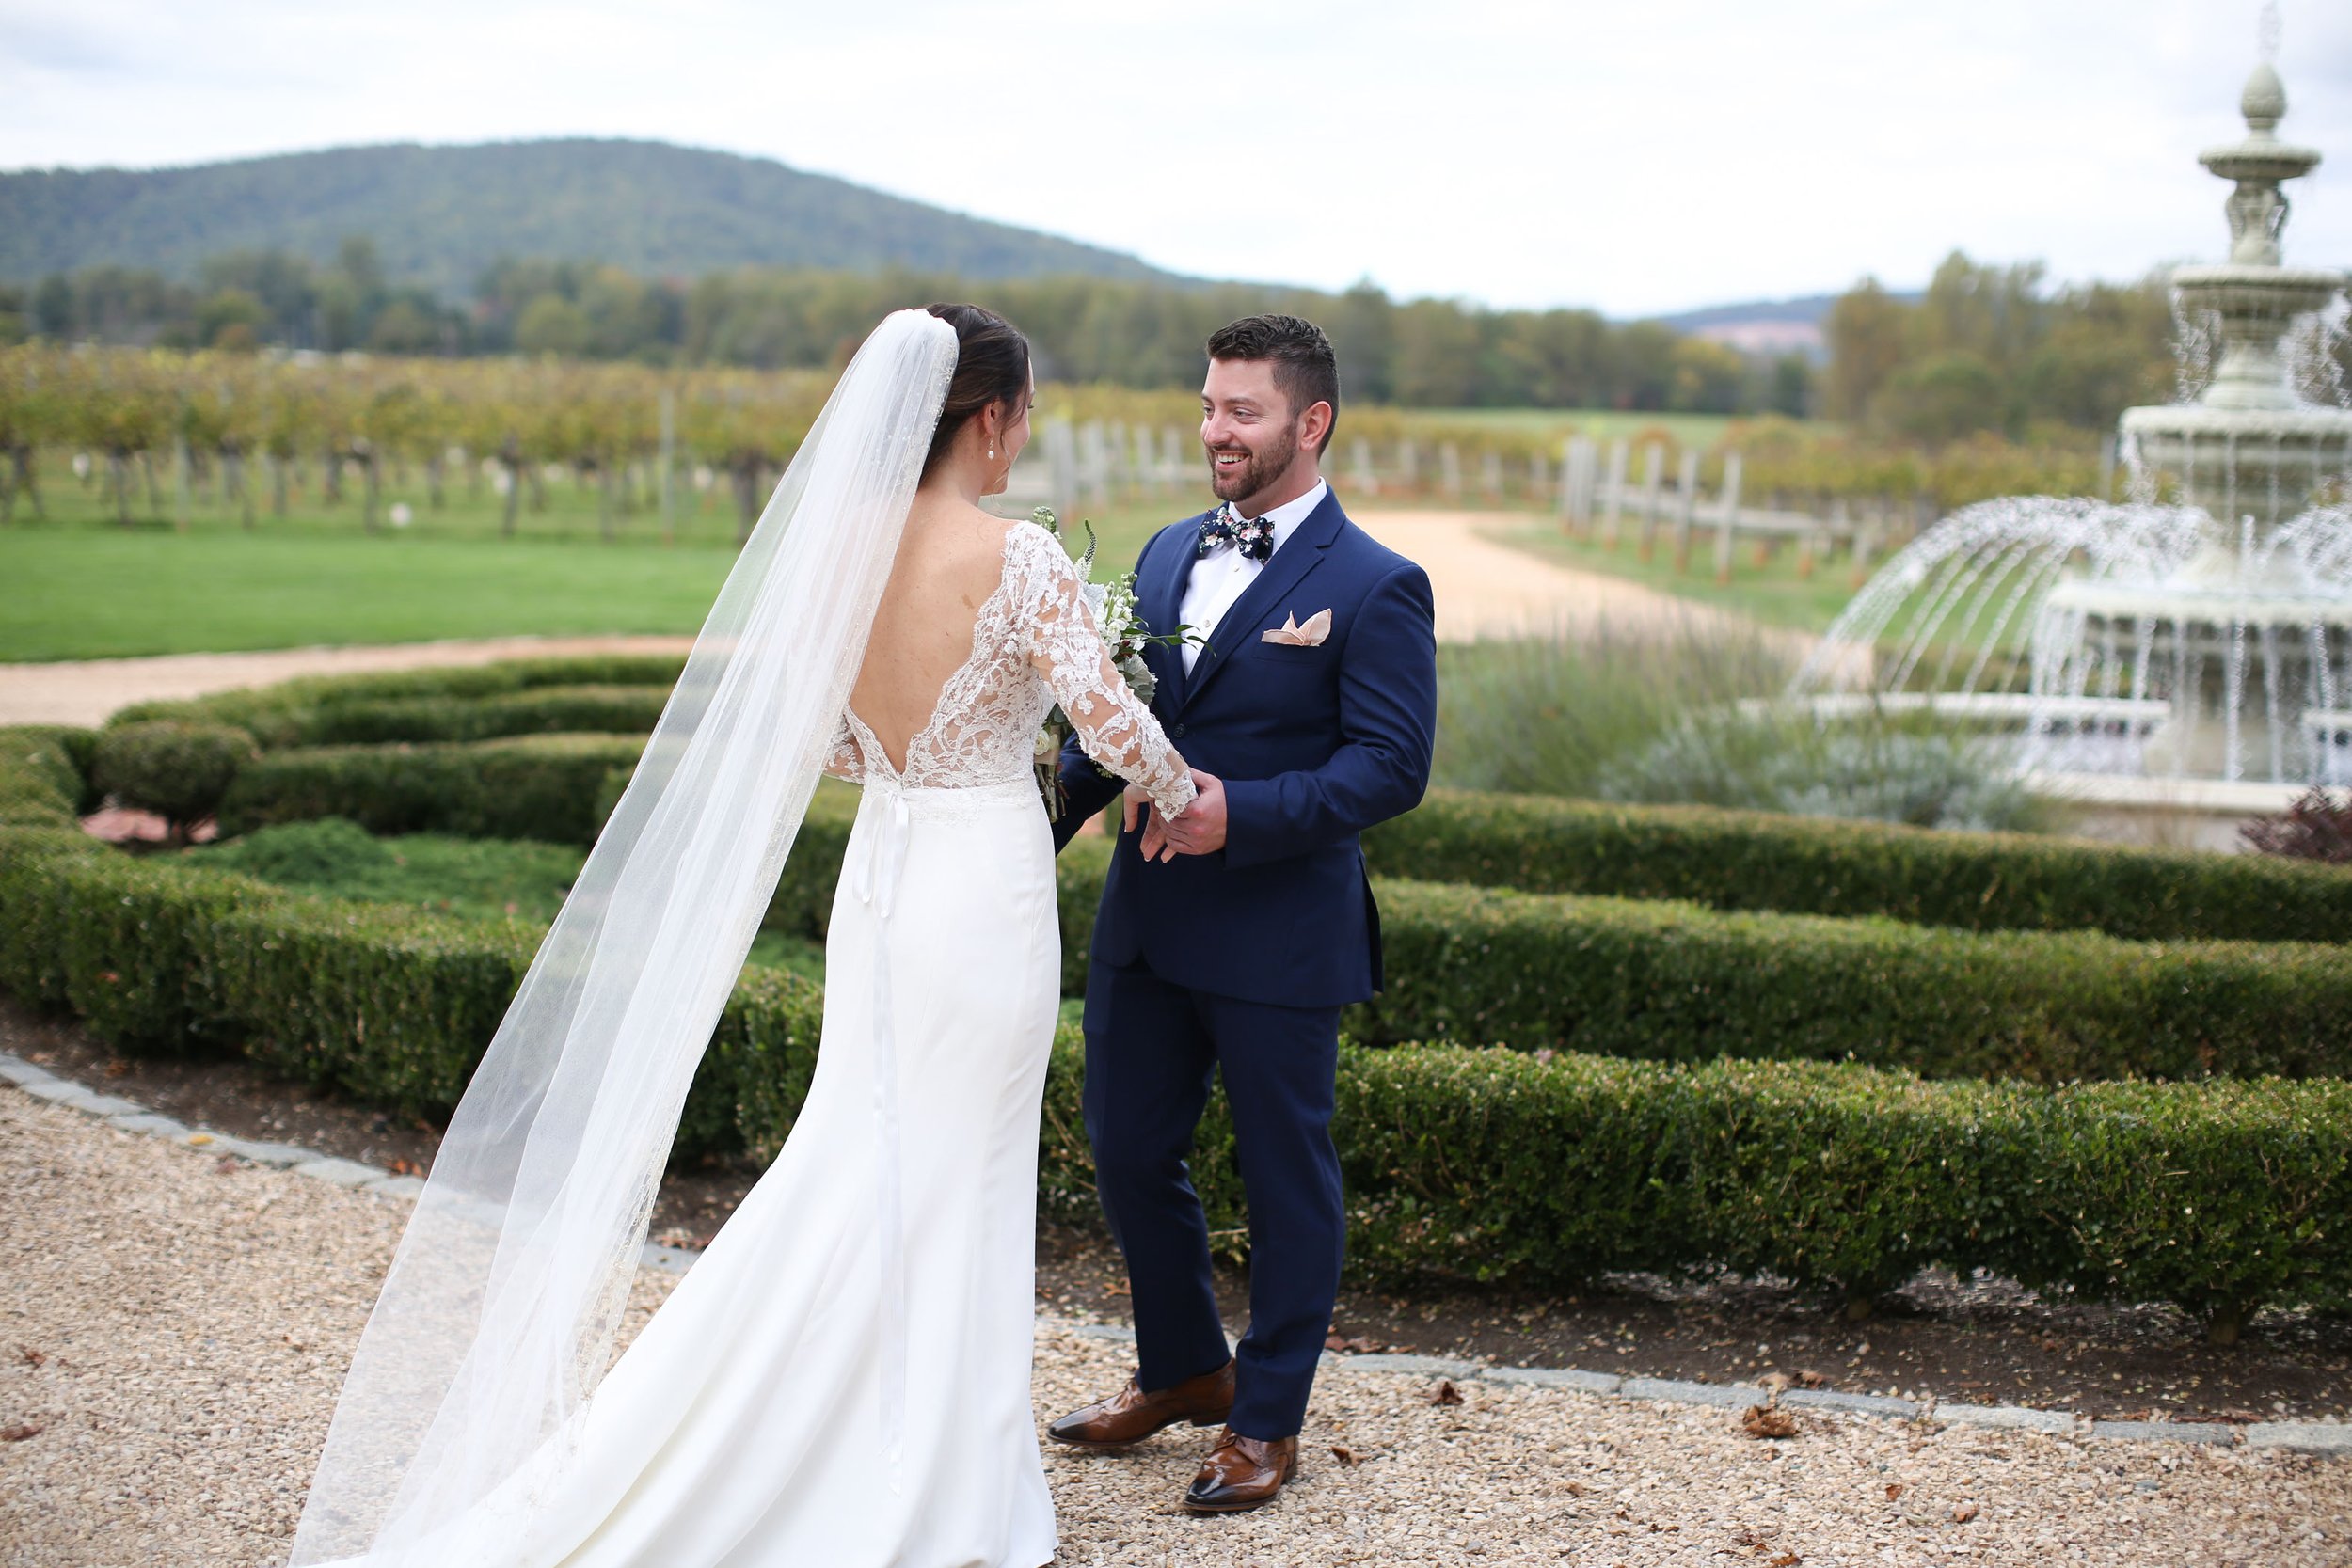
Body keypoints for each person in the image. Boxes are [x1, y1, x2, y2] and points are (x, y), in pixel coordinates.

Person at [290, 305, 1193, 1568]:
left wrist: (911, 746)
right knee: (962, 1161)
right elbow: (1111, 726)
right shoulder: (1020, 555)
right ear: (985, 417)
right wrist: (1185, 795)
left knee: (868, 1146)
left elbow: (812, 737)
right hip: (980, 880)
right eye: (1023, 411)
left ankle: (831, 1426)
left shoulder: (837, 554)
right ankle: (937, 1463)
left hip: (882, 872)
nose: (1023, 435)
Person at [1045, 315, 1438, 1513]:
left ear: (1309, 423)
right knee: (1123, 1148)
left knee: (1286, 1180)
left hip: (1279, 933)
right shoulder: (1165, 553)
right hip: (1149, 923)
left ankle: (1266, 1419)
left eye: (1243, 412)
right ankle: (1182, 1370)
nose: (1217, 429)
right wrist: (1024, 823)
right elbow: (1114, 726)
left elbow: (1392, 765)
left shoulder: (1375, 583)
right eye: (1210, 405)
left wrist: (1242, 812)